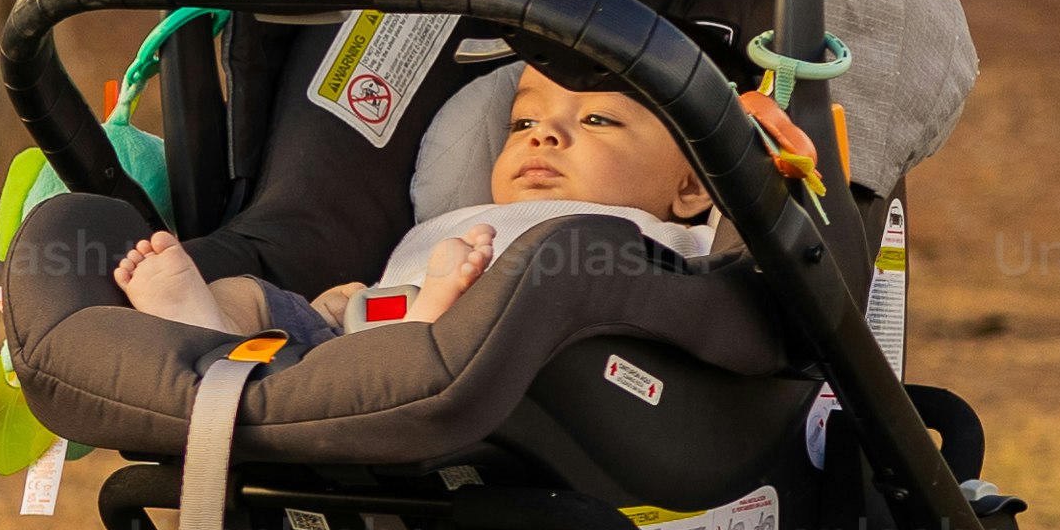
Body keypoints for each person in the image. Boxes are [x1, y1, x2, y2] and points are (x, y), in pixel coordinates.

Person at [115, 52, 736, 335]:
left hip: (527, 356)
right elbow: (376, 300)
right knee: (253, 297)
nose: (544, 134)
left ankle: (436, 325)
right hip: (373, 338)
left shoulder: (679, 241)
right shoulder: (460, 219)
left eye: (598, 120)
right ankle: (205, 327)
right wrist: (341, 305)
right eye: (522, 124)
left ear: (688, 188)